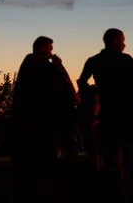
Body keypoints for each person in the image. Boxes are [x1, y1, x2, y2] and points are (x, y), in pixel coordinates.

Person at [77, 28, 133, 197]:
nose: (125, 44)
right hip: (127, 114)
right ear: (115, 41)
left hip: (108, 114)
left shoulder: (94, 61)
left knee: (113, 156)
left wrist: (94, 93)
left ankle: (117, 190)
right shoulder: (126, 60)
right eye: (123, 40)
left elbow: (81, 81)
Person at [12, 36, 79, 200]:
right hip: (40, 123)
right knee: (41, 163)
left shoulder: (29, 64)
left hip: (30, 122)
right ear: (42, 48)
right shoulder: (41, 66)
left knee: (32, 166)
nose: (52, 51)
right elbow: (67, 91)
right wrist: (59, 67)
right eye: (50, 48)